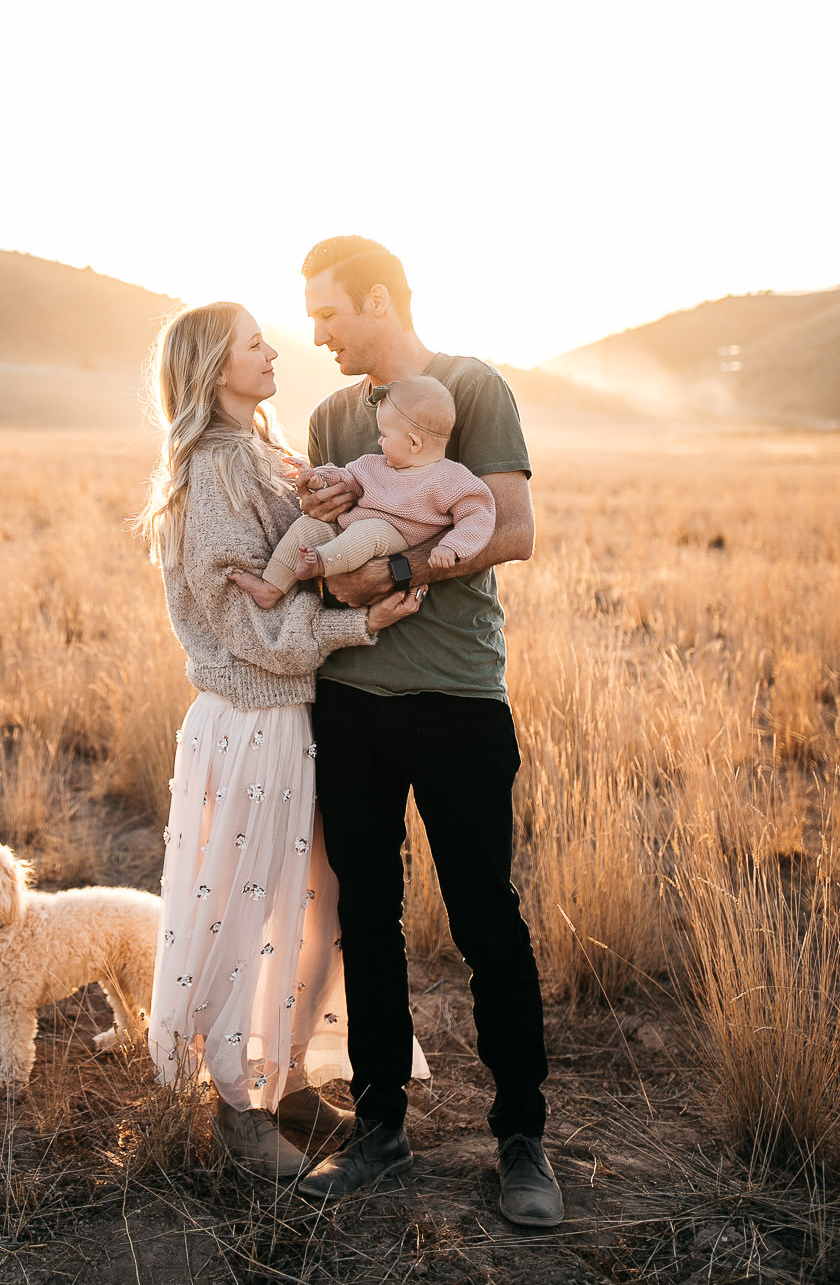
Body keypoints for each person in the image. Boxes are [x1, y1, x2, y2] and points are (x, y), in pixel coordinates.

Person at [288, 237, 564, 1229]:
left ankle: (522, 1140)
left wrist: (398, 575)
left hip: (456, 702)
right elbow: (321, 547)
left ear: (380, 299)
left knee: (488, 919)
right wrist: (318, 544)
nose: (316, 332)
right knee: (367, 917)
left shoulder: (473, 387)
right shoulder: (329, 416)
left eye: (329, 312)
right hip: (350, 704)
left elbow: (515, 528)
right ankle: (380, 1130)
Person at [138, 301, 427, 1180]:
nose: (273, 352)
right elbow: (245, 628)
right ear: (213, 367)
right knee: (250, 909)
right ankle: (238, 1110)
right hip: (253, 718)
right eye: (254, 342)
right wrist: (360, 622)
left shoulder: (259, 453)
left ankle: (289, 1080)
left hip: (288, 714)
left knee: (313, 906)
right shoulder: (217, 468)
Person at [229, 376, 495, 605]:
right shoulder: (373, 464)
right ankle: (271, 588)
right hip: (350, 535)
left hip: (398, 543)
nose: (379, 441)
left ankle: (320, 564)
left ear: (414, 442)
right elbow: (347, 479)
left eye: (385, 435)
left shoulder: (451, 478)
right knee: (307, 526)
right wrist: (317, 478)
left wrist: (452, 547)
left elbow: (478, 515)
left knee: (373, 530)